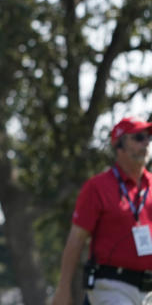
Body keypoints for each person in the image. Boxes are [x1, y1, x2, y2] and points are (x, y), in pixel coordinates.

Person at [53, 117, 152, 305]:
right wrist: (63, 288)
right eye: (139, 137)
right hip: (111, 286)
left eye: (148, 138)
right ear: (120, 145)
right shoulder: (97, 187)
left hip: (148, 290)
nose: (146, 143)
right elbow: (76, 239)